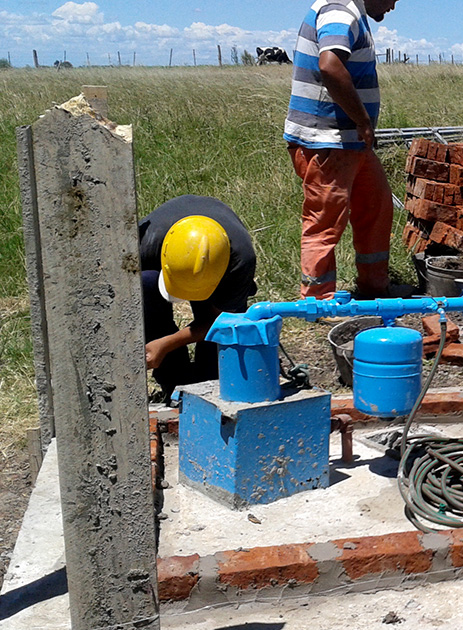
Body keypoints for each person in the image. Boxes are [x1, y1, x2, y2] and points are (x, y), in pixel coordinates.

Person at [284, 0, 401, 300]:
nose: (393, 6)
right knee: (325, 223)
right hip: (327, 141)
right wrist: (362, 120)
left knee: (375, 207)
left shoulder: (352, 14)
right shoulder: (340, 9)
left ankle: (374, 289)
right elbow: (329, 65)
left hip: (348, 143)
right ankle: (317, 301)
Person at [139, 195, 257, 399]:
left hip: (223, 261)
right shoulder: (142, 245)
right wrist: (157, 343)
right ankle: (173, 382)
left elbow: (222, 321)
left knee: (221, 339)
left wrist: (166, 343)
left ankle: (209, 385)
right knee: (144, 284)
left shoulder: (240, 259)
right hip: (165, 244)